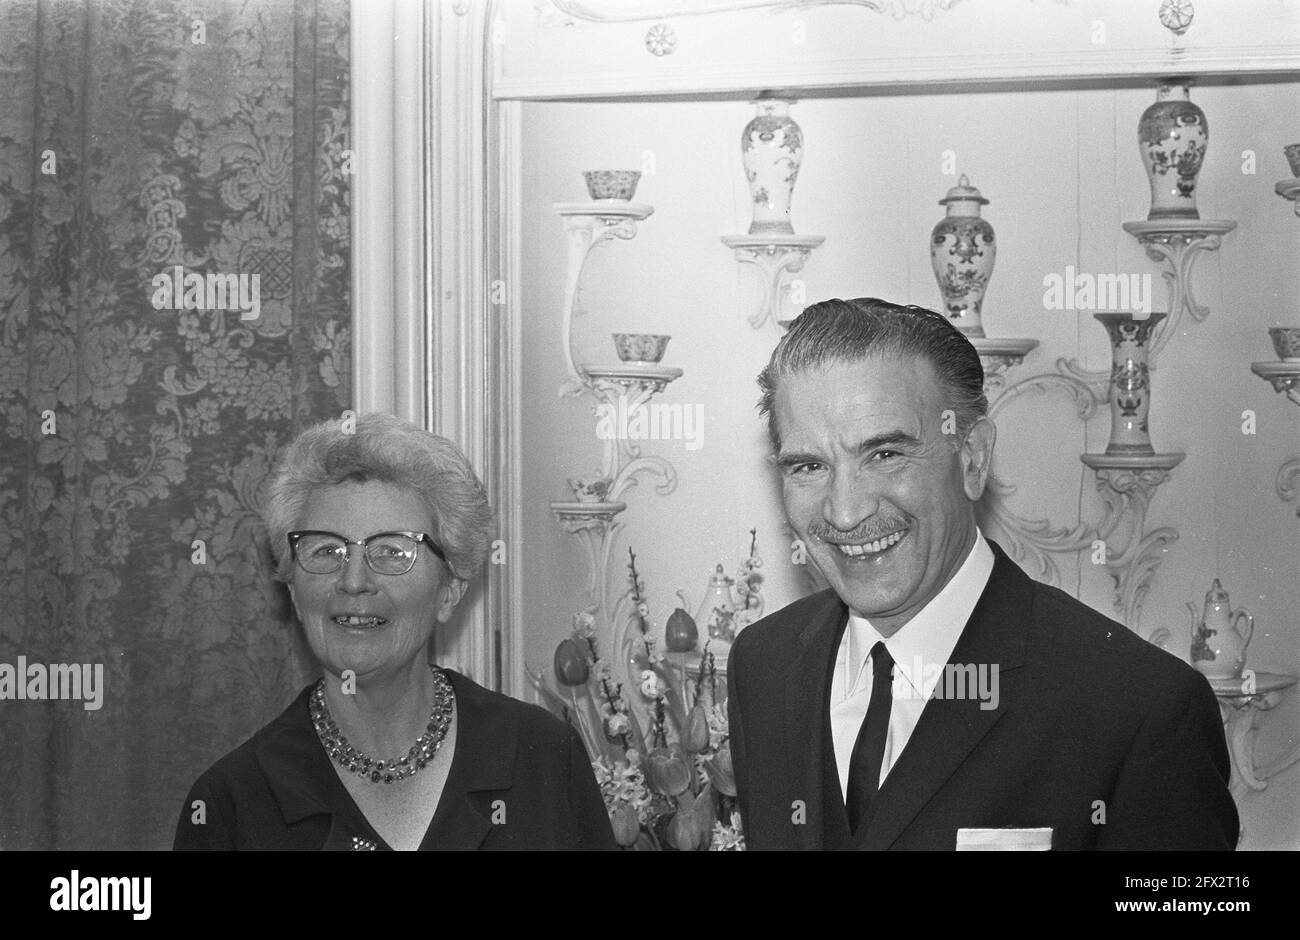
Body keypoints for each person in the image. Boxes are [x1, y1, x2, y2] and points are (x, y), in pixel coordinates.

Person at [727, 297, 1238, 850]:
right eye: (809, 466)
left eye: (886, 455)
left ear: (972, 458)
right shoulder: (763, 666)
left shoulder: (1139, 707)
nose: (845, 512)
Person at [174, 413, 615, 850]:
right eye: (327, 550)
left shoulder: (541, 758)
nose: (354, 580)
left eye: (392, 551)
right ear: (292, 588)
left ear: (450, 589)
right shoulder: (232, 804)